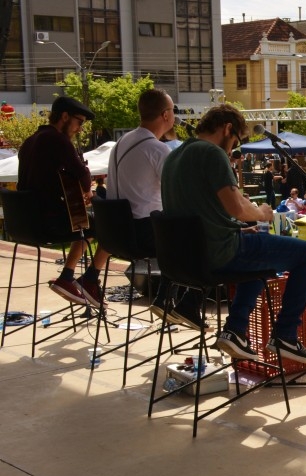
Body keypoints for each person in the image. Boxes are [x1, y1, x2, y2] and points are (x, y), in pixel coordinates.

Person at [161, 104, 306, 364]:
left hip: (185, 259)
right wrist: (262, 213)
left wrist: (239, 222)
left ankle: (236, 330)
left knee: (259, 254)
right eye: (234, 140)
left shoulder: (174, 157)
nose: (231, 148)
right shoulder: (212, 153)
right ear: (227, 129)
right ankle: (285, 335)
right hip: (219, 252)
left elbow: (202, 210)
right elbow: (237, 208)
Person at [107, 88, 204, 328]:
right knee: (202, 236)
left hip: (116, 233)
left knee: (179, 233)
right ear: (165, 115)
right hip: (141, 233)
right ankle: (185, 303)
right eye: (174, 111)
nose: (175, 116)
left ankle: (165, 297)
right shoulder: (157, 149)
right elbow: (180, 192)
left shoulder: (121, 142)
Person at [17, 96, 110, 306]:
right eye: (79, 122)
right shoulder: (56, 139)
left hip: (26, 223)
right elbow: (82, 175)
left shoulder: (30, 141)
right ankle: (83, 280)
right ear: (65, 116)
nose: (79, 129)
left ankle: (68, 278)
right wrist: (86, 189)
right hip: (48, 223)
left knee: (84, 222)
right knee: (106, 227)